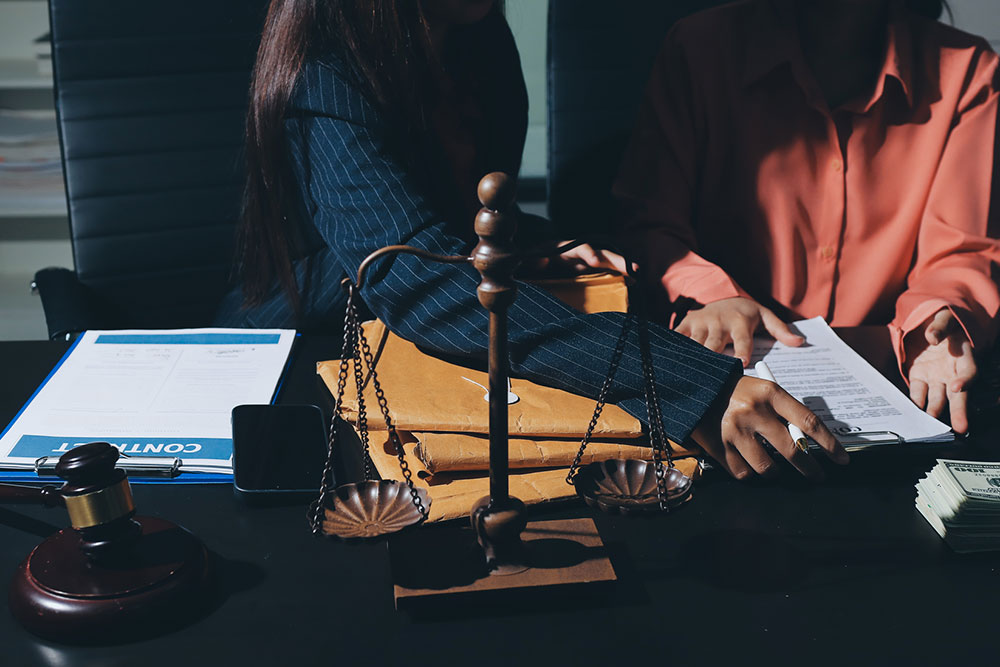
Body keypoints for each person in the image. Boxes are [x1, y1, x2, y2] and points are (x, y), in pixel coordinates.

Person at [215, 0, 848, 480]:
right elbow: (415, 277)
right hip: (300, 359)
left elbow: (472, 216)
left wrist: (532, 247)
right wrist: (690, 384)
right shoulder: (323, 71)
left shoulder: (480, 38)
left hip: (430, 341)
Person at [616, 0, 1000, 435]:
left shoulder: (968, 70)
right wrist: (710, 295)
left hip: (892, 381)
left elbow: (964, 248)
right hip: (729, 376)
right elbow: (647, 224)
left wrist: (937, 321)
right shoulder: (698, 48)